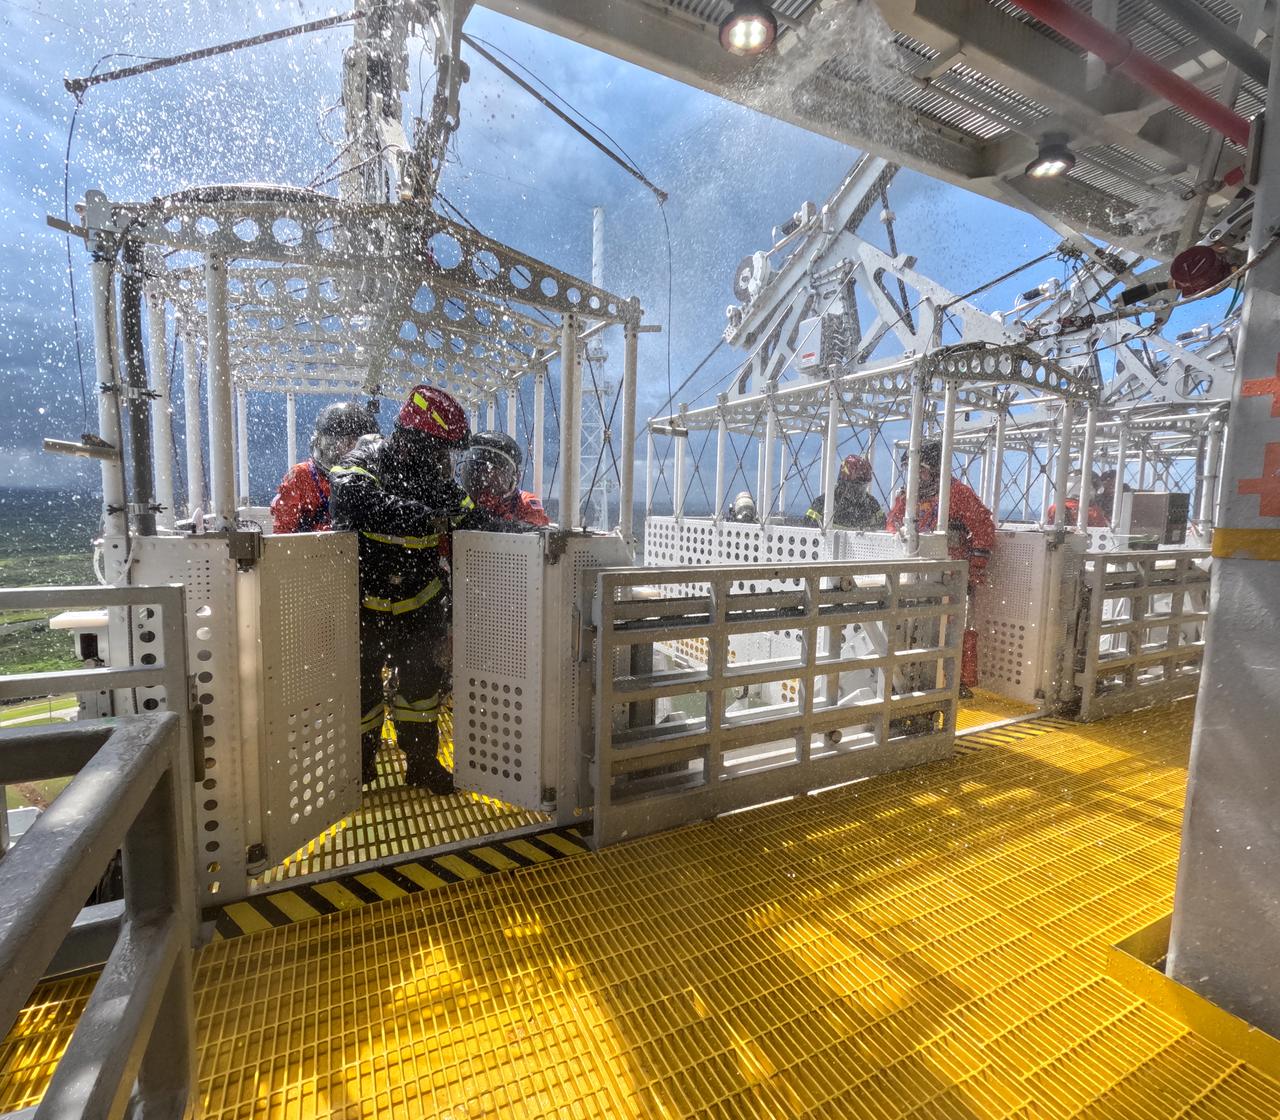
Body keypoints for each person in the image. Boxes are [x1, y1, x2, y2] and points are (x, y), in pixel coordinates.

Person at [330, 384, 482, 794]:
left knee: (421, 693)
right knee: (362, 690)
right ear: (416, 439)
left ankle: (420, 764)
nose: (443, 462)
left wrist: (527, 535)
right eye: (439, 450)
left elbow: (474, 519)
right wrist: (422, 517)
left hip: (421, 605)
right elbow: (347, 495)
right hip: (365, 608)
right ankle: (359, 766)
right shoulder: (369, 458)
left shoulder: (436, 481)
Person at [885, 440, 995, 696]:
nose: (915, 476)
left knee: (952, 630)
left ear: (935, 470)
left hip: (951, 576)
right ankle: (914, 682)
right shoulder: (908, 496)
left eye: (920, 470)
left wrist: (973, 569)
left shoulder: (957, 493)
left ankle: (956, 682)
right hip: (915, 575)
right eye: (910, 469)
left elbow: (983, 530)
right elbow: (891, 523)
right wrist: (898, 537)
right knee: (913, 629)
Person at [271, 402, 379, 533]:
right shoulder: (301, 476)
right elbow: (282, 535)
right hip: (310, 551)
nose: (343, 449)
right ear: (318, 442)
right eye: (336, 443)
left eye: (352, 443)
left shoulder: (373, 478)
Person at [459, 431, 550, 527]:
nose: (484, 482)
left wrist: (501, 520)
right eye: (477, 473)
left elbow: (534, 528)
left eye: (494, 478)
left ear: (515, 478)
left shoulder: (525, 503)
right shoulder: (463, 499)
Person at [806, 454, 885, 530]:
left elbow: (884, 529)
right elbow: (807, 534)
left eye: (863, 486)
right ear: (843, 483)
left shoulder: (871, 505)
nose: (860, 491)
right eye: (855, 486)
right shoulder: (823, 504)